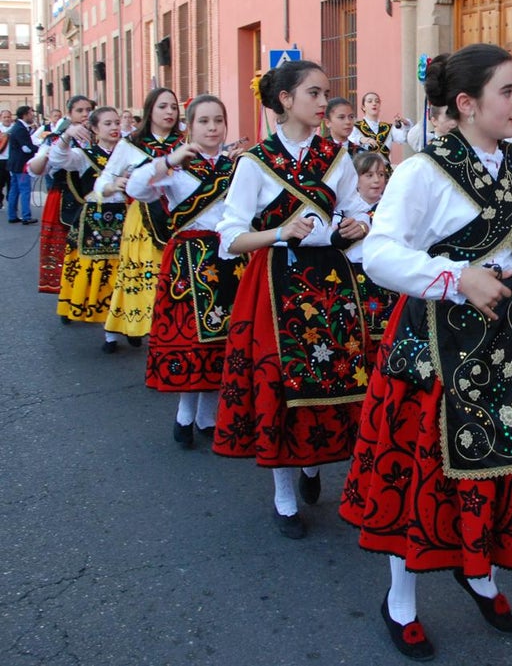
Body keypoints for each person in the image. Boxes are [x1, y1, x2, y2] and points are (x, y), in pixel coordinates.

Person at [339, 44, 512, 661]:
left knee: (502, 460)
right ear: (466, 103)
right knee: (424, 472)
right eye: (509, 91)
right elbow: (380, 254)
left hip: (509, 336)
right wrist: (456, 276)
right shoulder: (421, 172)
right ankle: (400, 597)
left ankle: (477, 568)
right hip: (436, 340)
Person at [213, 60, 368, 539]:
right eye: (315, 93)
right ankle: (283, 494)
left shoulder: (337, 157)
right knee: (279, 386)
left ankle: (313, 461)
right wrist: (279, 231)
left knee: (330, 375)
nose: (325, 102)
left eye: (326, 93)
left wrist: (359, 224)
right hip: (274, 284)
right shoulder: (254, 162)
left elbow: (359, 209)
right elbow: (230, 237)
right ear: (285, 99)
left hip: (330, 284)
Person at [126, 95, 242, 450]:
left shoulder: (238, 165)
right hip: (188, 262)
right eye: (204, 121)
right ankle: (184, 414)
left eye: (218, 120)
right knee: (193, 343)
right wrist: (168, 161)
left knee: (221, 342)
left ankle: (207, 416)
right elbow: (135, 188)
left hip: (229, 257)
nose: (212, 128)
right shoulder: (176, 167)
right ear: (190, 126)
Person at [96, 88, 182, 353]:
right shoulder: (131, 144)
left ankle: (170, 333)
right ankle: (121, 328)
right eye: (163, 106)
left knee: (175, 279)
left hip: (181, 218)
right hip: (143, 219)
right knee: (142, 278)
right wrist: (116, 185)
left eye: (173, 107)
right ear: (149, 111)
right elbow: (103, 182)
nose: (169, 112)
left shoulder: (185, 143)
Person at [52, 107, 122, 332]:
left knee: (119, 268)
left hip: (123, 217)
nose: (114, 128)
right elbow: (59, 158)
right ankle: (75, 304)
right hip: (93, 218)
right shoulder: (86, 156)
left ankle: (119, 316)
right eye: (108, 124)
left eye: (117, 123)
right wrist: (67, 136)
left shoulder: (127, 154)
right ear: (94, 129)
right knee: (86, 267)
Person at [334, 151, 397, 367]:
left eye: (381, 174)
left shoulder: (392, 207)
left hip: (384, 278)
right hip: (352, 277)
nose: (377, 180)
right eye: (368, 175)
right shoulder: (344, 209)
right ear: (355, 179)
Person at [40, 95, 95, 294]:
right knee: (66, 246)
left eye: (88, 110)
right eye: (79, 110)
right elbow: (41, 166)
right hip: (65, 195)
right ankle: (67, 291)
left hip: (95, 198)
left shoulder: (100, 136)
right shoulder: (55, 138)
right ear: (69, 114)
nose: (85, 114)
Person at [348, 91, 411, 162]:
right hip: (364, 170)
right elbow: (349, 140)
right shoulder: (356, 127)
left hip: (384, 170)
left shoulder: (388, 128)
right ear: (363, 107)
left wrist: (406, 124)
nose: (374, 103)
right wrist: (361, 139)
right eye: (369, 101)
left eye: (377, 101)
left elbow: (404, 138)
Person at [6, 106, 37, 225]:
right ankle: (26, 216)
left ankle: (12, 215)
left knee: (14, 189)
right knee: (25, 190)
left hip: (14, 164)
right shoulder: (20, 129)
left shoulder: (18, 127)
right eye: (31, 113)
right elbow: (27, 148)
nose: (32, 115)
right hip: (21, 165)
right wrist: (42, 149)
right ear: (25, 115)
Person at [0, 109, 12, 207]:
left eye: (8, 117)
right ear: (1, 118)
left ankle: (11, 202)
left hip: (12, 160)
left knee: (11, 183)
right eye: (5, 117)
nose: (7, 119)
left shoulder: (15, 128)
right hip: (0, 160)